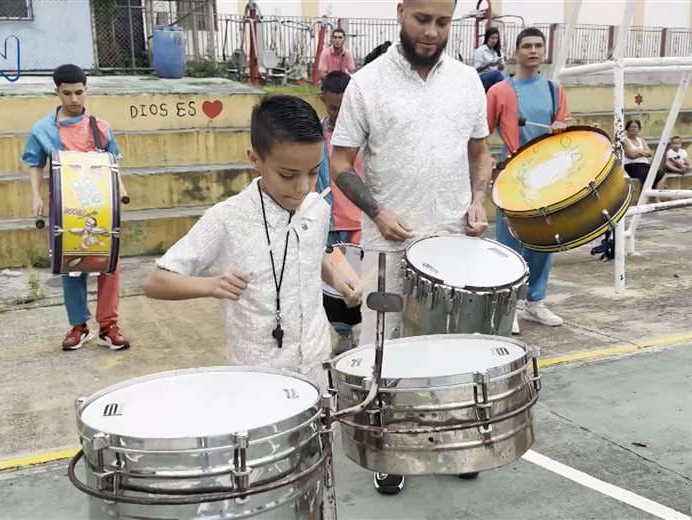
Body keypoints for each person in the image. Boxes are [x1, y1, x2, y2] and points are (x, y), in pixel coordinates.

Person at [330, 0, 493, 494]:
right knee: (385, 348)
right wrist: (377, 210)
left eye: (443, 22)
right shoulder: (367, 83)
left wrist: (479, 200)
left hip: (453, 242)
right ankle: (388, 449)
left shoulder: (467, 82)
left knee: (454, 346)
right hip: (388, 244)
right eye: (422, 20)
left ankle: (457, 441)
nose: (431, 32)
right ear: (401, 13)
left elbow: (480, 151)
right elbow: (340, 163)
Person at [143, 95, 363, 388]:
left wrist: (338, 278)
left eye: (313, 173)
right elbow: (156, 282)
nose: (302, 187)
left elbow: (311, 253)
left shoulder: (317, 208)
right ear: (255, 160)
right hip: (257, 376)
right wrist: (212, 285)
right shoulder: (227, 219)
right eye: (287, 175)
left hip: (316, 365)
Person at [22, 64, 131, 352]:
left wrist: (120, 189)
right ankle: (78, 326)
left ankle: (108, 326)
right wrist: (36, 196)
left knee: (109, 265)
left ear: (86, 90)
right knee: (71, 266)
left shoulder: (100, 127)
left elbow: (112, 163)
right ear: (56, 91)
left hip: (100, 208)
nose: (74, 99)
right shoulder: (43, 130)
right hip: (66, 207)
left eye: (79, 92)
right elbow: (35, 164)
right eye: (67, 93)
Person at [487, 27, 572, 334]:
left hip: (548, 176)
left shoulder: (554, 89)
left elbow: (565, 124)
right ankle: (507, 306)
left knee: (543, 242)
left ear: (543, 51)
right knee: (508, 242)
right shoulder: (499, 92)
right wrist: (486, 161)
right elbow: (480, 133)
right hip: (514, 175)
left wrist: (563, 125)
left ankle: (535, 301)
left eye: (538, 45)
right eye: (527, 46)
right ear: (517, 51)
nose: (533, 50)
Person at [317, 71, 364, 354]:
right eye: (333, 107)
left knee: (359, 280)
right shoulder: (316, 134)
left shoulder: (361, 136)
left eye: (343, 107)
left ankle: (363, 331)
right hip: (328, 220)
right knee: (331, 284)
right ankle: (343, 334)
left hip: (359, 219)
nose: (337, 113)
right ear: (322, 98)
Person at [622, 119, 664, 188]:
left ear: (639, 129)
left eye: (635, 127)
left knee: (661, 174)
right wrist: (642, 152)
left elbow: (650, 153)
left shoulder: (641, 140)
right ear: (627, 129)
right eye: (631, 127)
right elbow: (631, 155)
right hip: (632, 166)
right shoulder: (625, 140)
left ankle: (656, 196)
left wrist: (638, 151)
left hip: (644, 165)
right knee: (648, 175)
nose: (633, 129)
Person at [474, 26, 505, 92]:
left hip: (495, 77)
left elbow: (501, 69)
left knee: (507, 78)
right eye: (492, 38)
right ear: (487, 38)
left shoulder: (498, 51)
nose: (494, 41)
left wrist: (501, 65)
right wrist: (489, 64)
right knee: (497, 74)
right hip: (482, 78)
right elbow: (476, 69)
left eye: (496, 38)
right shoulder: (480, 50)